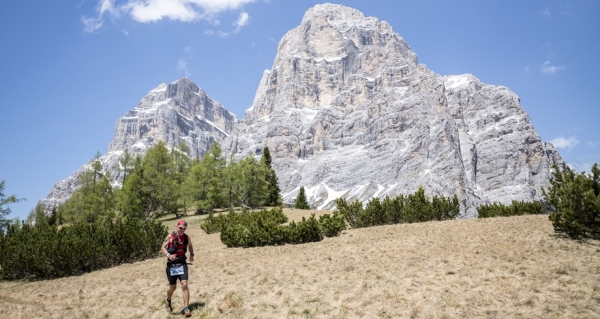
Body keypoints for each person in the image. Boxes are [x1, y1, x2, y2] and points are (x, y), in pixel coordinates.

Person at [161, 219, 194, 317]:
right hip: (172, 265)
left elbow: (190, 246)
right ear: (177, 226)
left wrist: (191, 254)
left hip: (182, 263)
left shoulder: (186, 238)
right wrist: (168, 255)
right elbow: (162, 248)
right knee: (173, 287)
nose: (182, 230)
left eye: (184, 228)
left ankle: (186, 308)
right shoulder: (170, 237)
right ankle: (168, 300)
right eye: (180, 228)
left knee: (184, 284)